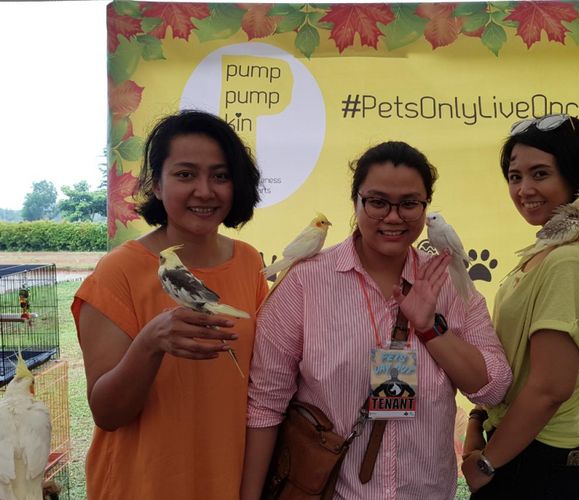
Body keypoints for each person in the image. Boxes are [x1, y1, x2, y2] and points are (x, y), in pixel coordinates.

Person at [241, 141, 512, 499]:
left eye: (409, 204)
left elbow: (494, 388)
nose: (394, 217)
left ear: (426, 207)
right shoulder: (306, 283)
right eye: (378, 202)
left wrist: (431, 329)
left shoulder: (450, 284)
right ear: (356, 202)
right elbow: (265, 405)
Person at [72, 110, 267, 500]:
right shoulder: (119, 271)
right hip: (141, 485)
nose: (205, 191)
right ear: (157, 186)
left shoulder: (248, 262)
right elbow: (107, 413)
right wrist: (150, 342)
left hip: (223, 482)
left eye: (220, 176)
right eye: (185, 174)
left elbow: (262, 384)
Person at [461, 114, 579, 499]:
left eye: (540, 174)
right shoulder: (551, 249)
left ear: (577, 177)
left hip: (540, 457)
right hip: (525, 443)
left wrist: (487, 463)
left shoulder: (570, 262)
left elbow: (549, 387)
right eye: (515, 176)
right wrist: (480, 417)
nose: (524, 189)